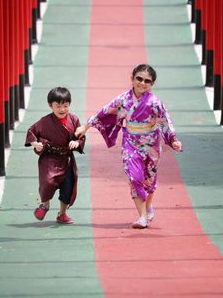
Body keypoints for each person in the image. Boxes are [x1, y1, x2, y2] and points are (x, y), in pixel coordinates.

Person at [75, 64, 182, 229]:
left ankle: (148, 206)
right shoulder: (123, 100)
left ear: (152, 84)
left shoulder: (155, 103)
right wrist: (85, 127)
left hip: (151, 145)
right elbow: (104, 112)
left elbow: (165, 122)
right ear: (132, 79)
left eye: (147, 81)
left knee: (149, 180)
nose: (142, 83)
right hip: (130, 143)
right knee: (135, 177)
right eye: (139, 78)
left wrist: (173, 139)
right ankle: (143, 217)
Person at [25, 87, 86, 224]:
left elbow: (81, 136)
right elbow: (31, 132)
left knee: (67, 187)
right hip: (49, 158)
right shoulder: (44, 122)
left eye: (65, 106)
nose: (62, 109)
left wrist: (76, 142)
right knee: (47, 182)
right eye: (58, 106)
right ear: (50, 106)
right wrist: (35, 143)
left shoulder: (74, 120)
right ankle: (45, 205)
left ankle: (62, 214)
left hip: (66, 159)